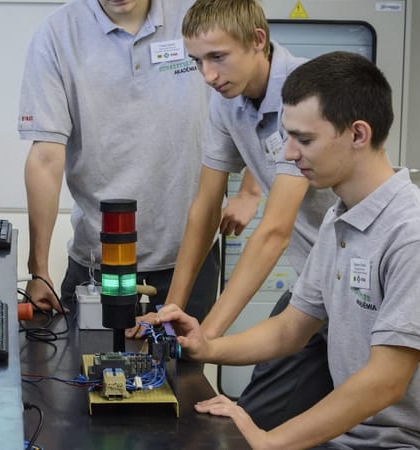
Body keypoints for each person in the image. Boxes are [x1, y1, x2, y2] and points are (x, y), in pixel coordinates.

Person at [158, 51, 420, 449]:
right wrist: (208, 346)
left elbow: (386, 381)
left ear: (358, 135)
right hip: (356, 439)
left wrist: (271, 441)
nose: (289, 154)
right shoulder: (339, 219)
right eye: (288, 137)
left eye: (304, 140)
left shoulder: (417, 235)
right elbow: (290, 329)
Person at [127, 0, 338, 429]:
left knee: (361, 419)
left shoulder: (304, 95)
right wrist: (171, 313)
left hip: (354, 281)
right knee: (255, 415)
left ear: (257, 40)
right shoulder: (227, 104)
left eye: (217, 57)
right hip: (314, 283)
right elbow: (205, 208)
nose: (207, 75)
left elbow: (274, 231)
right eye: (197, 61)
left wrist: (206, 335)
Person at [18, 0, 221, 324]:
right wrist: (38, 270)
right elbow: (45, 158)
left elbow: (249, 89)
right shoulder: (57, 34)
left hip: (190, 258)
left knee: (182, 358)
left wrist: (249, 190)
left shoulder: (197, 14)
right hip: (99, 265)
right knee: (84, 356)